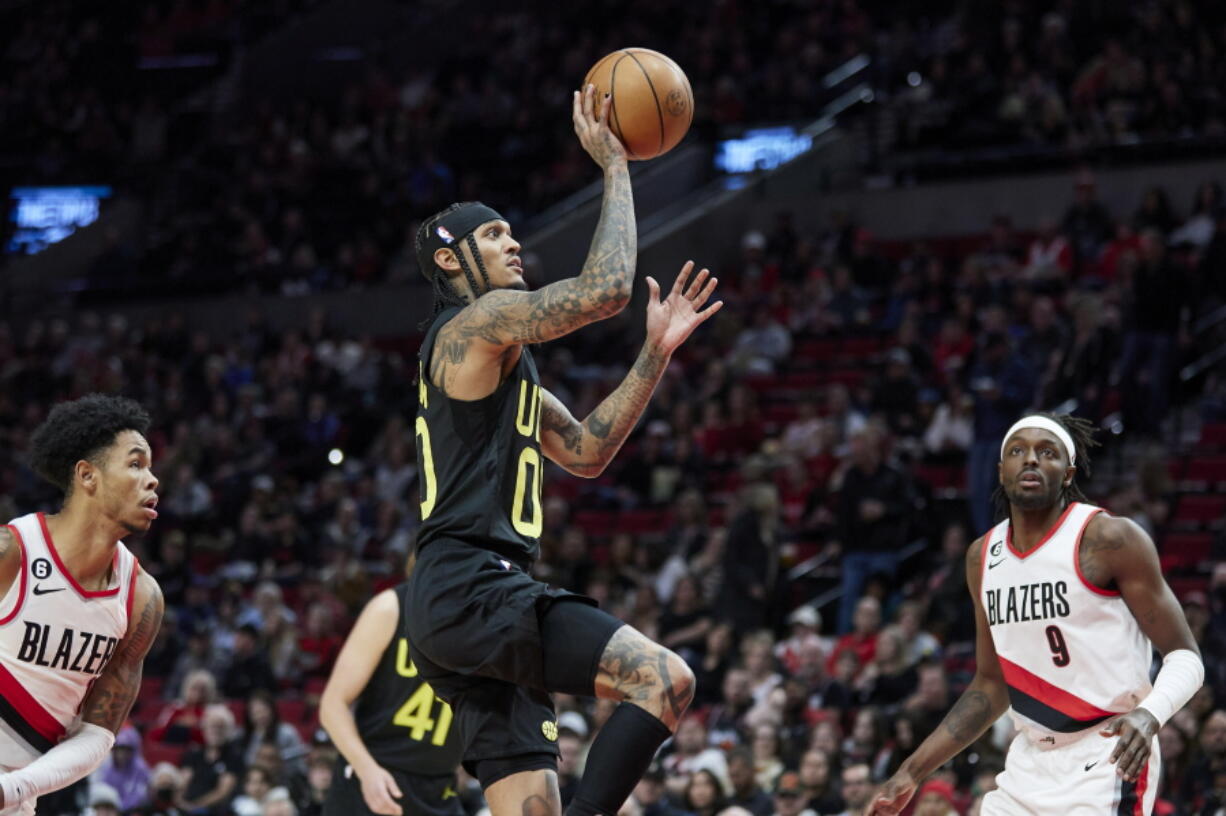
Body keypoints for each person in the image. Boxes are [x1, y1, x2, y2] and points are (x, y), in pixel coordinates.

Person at [405, 84, 720, 816]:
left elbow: (585, 452)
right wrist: (615, 164)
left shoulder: (499, 366)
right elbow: (606, 290)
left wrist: (655, 353)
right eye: (493, 236)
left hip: (464, 599)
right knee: (664, 680)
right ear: (451, 262)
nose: (514, 243)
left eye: (512, 233)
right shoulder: (470, 327)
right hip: (473, 585)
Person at [870, 413, 1205, 816]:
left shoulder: (1109, 539)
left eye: (1047, 452)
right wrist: (911, 770)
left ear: (1068, 473)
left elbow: (1186, 656)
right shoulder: (982, 556)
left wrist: (1151, 713)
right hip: (1028, 760)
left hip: (1109, 752)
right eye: (1018, 451)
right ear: (1001, 470)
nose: (1031, 459)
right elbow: (992, 683)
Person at [0, 394, 165, 816]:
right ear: (87, 476)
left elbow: (97, 735)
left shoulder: (141, 598)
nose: (152, 479)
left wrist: (12, 789)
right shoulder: (12, 553)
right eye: (135, 464)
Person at [318, 560, 463, 816]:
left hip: (439, 787)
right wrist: (367, 770)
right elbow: (332, 704)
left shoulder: (482, 623)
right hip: (374, 778)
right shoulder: (390, 607)